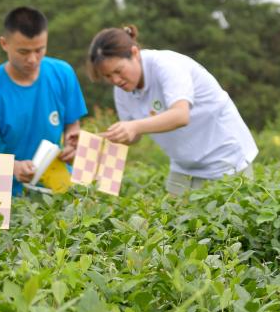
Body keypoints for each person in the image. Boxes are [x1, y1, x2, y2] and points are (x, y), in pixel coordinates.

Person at [87, 25, 257, 195]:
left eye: (118, 71)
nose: (115, 80)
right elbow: (133, 136)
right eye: (108, 76)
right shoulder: (122, 90)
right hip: (184, 165)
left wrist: (133, 126)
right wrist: (99, 141)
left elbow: (180, 116)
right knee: (171, 217)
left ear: (135, 53)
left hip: (226, 159)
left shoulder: (166, 65)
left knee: (230, 217)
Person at [0, 6, 87, 194]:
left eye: (39, 50)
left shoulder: (63, 73)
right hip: (1, 193)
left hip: (56, 183)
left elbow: (73, 125)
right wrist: (12, 168)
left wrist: (72, 143)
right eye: (23, 52)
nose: (33, 59)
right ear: (4, 44)